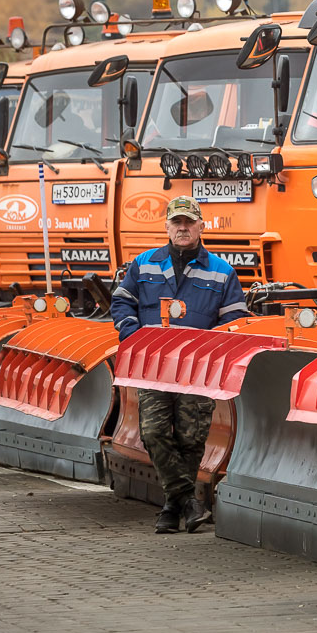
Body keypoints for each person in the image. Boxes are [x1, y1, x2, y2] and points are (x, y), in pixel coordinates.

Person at [111, 195, 248, 534]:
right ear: (167, 227)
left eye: (189, 222)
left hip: (196, 370)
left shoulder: (222, 272)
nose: (183, 228)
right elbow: (121, 303)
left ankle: (172, 508)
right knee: (154, 432)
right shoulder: (143, 265)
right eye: (177, 223)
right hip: (154, 366)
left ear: (201, 226)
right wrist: (134, 336)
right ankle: (188, 500)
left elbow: (235, 320)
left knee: (191, 438)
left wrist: (215, 349)